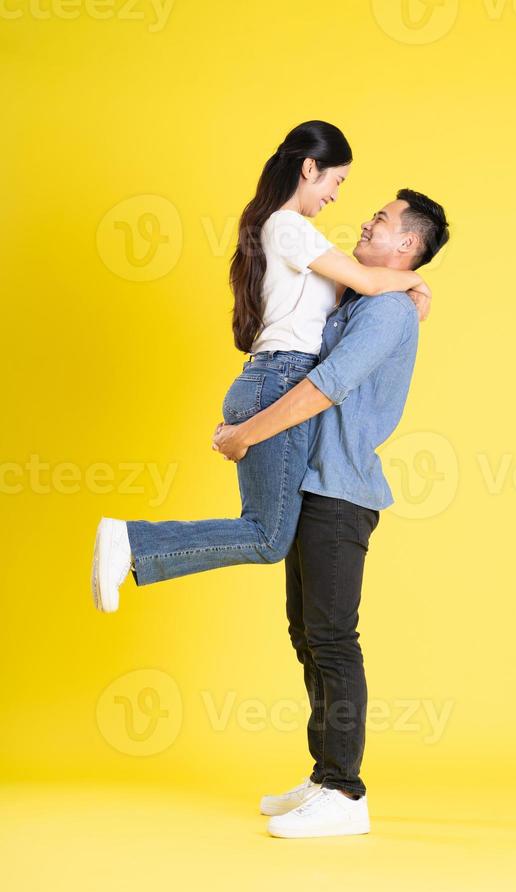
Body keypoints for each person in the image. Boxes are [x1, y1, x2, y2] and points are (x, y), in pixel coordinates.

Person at [91, 120, 431, 612]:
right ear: (309, 168)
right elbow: (369, 281)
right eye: (337, 180)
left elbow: (354, 291)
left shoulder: (294, 234)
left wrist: (407, 287)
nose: (337, 196)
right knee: (268, 536)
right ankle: (131, 542)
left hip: (270, 377)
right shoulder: (288, 227)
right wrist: (421, 286)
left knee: (267, 533)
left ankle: (132, 545)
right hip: (281, 378)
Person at [213, 189, 450, 838]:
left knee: (333, 640)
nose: (368, 218)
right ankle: (324, 775)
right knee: (308, 634)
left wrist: (247, 433)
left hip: (340, 494)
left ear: (407, 245)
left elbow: (325, 386)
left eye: (383, 218)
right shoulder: (366, 300)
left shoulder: (386, 311)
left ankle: (345, 794)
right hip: (314, 484)